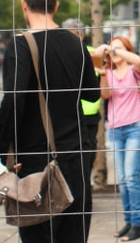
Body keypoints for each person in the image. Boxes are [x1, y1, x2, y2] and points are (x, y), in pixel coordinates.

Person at [0, 0, 100, 242]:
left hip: (36, 161)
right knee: (73, 235)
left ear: (24, 6)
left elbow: (12, 101)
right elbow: (91, 93)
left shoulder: (19, 46)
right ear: (55, 6)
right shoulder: (77, 43)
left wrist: (3, 146)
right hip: (76, 155)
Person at [95, 36, 140, 242]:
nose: (114, 53)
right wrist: (102, 72)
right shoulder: (108, 72)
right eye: (112, 50)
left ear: (126, 50)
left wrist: (114, 49)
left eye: (119, 49)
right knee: (123, 181)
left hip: (135, 128)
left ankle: (137, 225)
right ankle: (129, 221)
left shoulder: (135, 71)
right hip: (115, 131)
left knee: (131, 177)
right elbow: (105, 95)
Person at [62, 18, 102, 186]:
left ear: (82, 35)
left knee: (88, 154)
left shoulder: (92, 53)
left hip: (89, 114)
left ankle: (83, 186)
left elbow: (94, 85)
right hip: (67, 114)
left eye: (74, 36)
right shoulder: (59, 52)